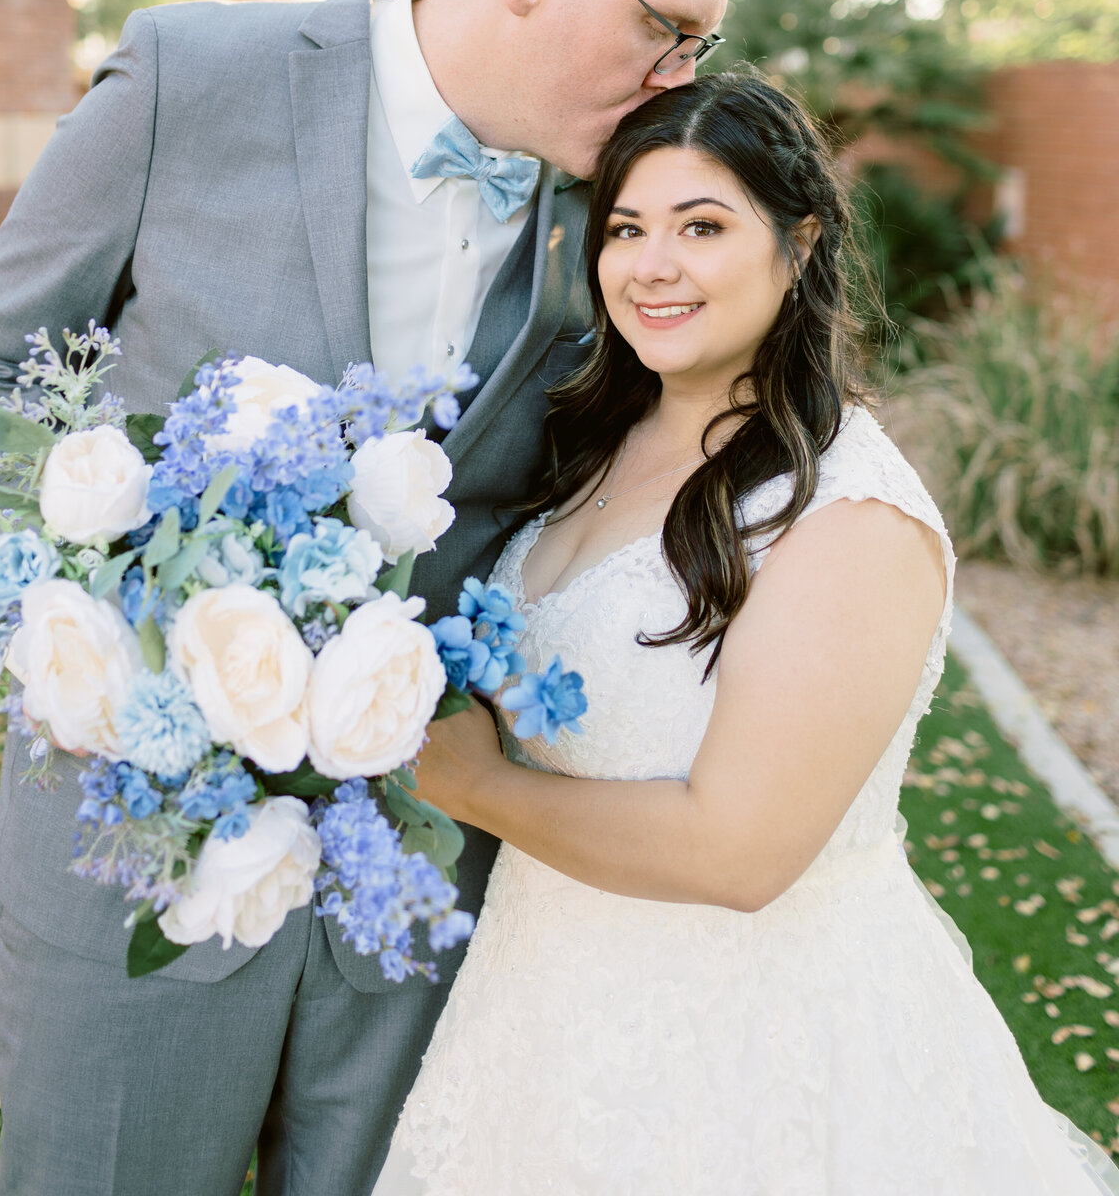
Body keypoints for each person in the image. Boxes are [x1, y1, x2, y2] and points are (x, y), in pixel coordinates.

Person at [0, 0, 738, 1196]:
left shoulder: (624, 198)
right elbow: (0, 360)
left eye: (699, 43)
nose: (679, 76)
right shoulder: (194, 71)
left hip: (420, 868)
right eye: (665, 27)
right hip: (138, 834)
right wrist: (76, 639)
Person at [376, 71, 1119, 1196]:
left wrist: (468, 783)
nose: (651, 264)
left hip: (748, 1051)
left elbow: (742, 851)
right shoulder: (592, 438)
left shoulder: (846, 515)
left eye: (703, 226)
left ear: (801, 241)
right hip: (542, 1013)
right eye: (627, 228)